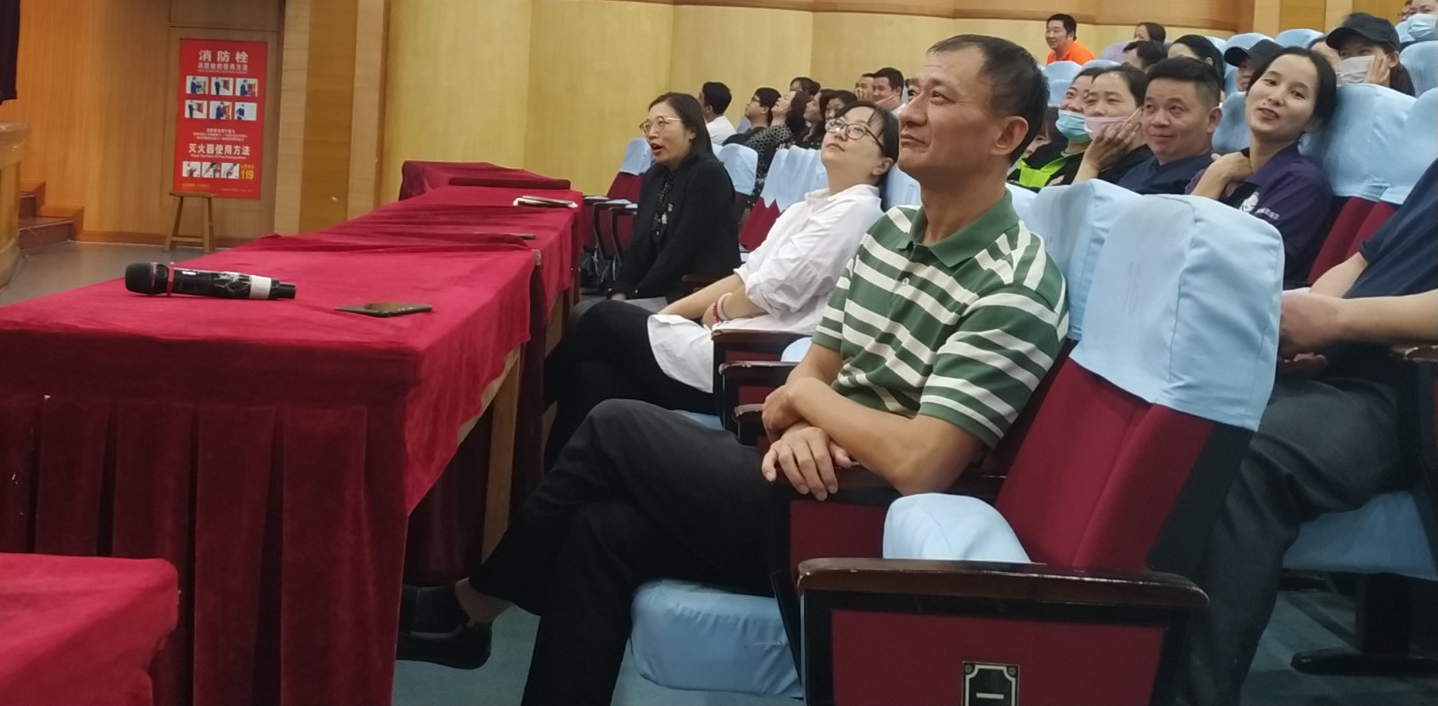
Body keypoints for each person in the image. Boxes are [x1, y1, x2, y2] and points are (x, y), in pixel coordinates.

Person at [397, 37, 1068, 706]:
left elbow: (922, 462)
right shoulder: (893, 236)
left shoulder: (1014, 284)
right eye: (914, 92)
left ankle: (472, 604)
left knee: (614, 425)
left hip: (861, 520)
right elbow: (818, 364)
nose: (911, 112)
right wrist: (804, 412)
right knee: (602, 531)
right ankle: (473, 618)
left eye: (939, 98)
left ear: (1007, 135)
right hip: (806, 470)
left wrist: (810, 407)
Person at [1175, 159, 1438, 706]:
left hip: (1402, 392)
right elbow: (1363, 262)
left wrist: (1337, 323)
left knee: (1241, 457)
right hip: (1334, 368)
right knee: (1182, 420)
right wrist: (1304, 323)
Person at [542, 103, 898, 464]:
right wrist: (669, 315)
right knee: (591, 379)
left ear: (882, 164)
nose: (839, 132)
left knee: (601, 318)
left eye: (857, 130)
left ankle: (526, 407)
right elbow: (746, 275)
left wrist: (719, 310)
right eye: (838, 124)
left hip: (747, 363)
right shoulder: (808, 207)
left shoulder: (856, 212)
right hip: (724, 338)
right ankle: (541, 473)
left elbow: (770, 290)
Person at [1190, 47, 1336, 285]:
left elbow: (1238, 265)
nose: (1276, 97)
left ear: (1313, 120)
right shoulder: (1220, 168)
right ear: (1248, 92)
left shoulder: (1304, 184)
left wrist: (1215, 178)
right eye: (1270, 81)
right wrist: (1216, 176)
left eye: (1297, 94)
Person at [599, 93, 739, 311]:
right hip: (656, 290)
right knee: (586, 312)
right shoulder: (654, 176)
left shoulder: (708, 175)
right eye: (648, 126)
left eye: (662, 124)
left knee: (599, 316)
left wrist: (635, 297)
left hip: (691, 295)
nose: (652, 133)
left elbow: (680, 250)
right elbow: (639, 244)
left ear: (692, 130)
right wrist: (620, 291)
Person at [1081, 57, 1220, 195]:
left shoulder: (1209, 181)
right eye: (1150, 107)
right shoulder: (1137, 169)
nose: (1158, 121)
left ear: (1212, 119)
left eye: (1175, 109)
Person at [1048, 64, 1150, 189]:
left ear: (1143, 111)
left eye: (1111, 100)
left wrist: (1091, 166)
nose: (1097, 110)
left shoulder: (1147, 170)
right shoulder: (1085, 162)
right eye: (1091, 101)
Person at [1012, 68, 1097, 188]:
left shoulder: (1095, 165)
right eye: (1070, 94)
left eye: (1088, 100)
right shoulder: (1044, 151)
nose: (1073, 105)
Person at [726, 89, 805, 196]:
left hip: (753, 183)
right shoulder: (771, 129)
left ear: (792, 108)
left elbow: (774, 163)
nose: (779, 99)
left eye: (785, 98)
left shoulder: (782, 132)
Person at [1326, 12, 1415, 95]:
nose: (1352, 60)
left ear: (1392, 59)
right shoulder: (1334, 102)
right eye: (1344, 54)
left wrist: (1368, 91)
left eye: (1363, 52)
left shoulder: (1407, 104)